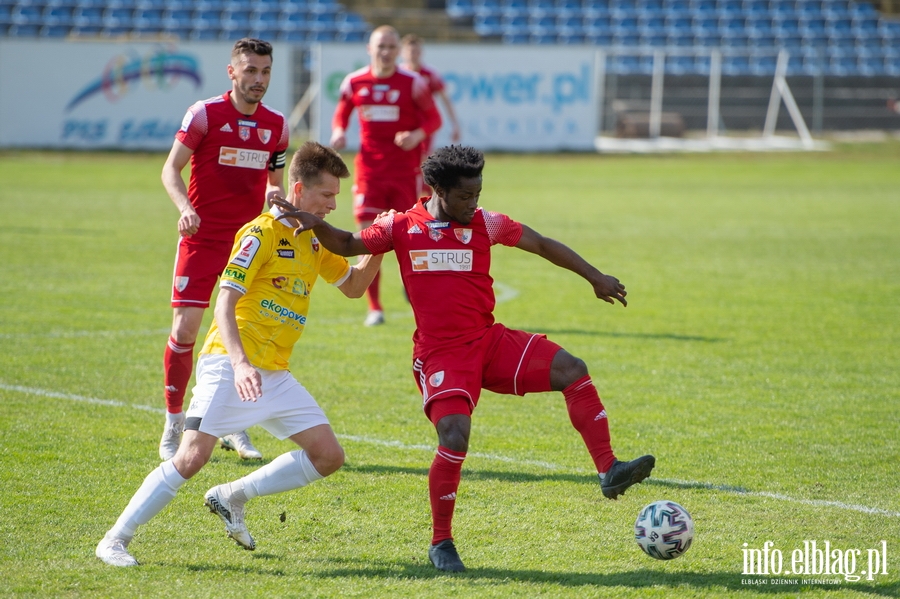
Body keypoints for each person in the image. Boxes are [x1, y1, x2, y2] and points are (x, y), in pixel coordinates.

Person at [272, 145, 656, 573]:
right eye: (464, 196)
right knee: (454, 434)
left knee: (573, 370)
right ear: (437, 189)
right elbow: (346, 243)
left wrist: (595, 277)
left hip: (488, 342)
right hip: (440, 354)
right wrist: (313, 222)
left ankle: (608, 470)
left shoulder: (486, 223)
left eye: (477, 194)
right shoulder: (401, 226)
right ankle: (441, 543)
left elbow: (543, 244)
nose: (472, 204)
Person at [96, 142, 383, 567]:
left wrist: (381, 244)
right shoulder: (260, 233)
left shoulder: (313, 241)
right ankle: (114, 541)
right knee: (192, 457)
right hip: (230, 365)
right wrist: (240, 363)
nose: (333, 205)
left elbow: (355, 287)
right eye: (327, 195)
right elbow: (223, 304)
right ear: (299, 189)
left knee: (329, 456)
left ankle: (232, 495)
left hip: (275, 373)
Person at [158, 37, 290, 462]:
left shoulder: (278, 125)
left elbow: (274, 180)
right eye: (250, 71)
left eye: (265, 71)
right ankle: (174, 421)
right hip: (202, 238)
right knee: (185, 334)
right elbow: (170, 169)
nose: (259, 80)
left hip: (247, 245)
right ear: (231, 72)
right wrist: (185, 208)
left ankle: (233, 427)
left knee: (242, 337)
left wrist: (275, 197)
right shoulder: (204, 114)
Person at [331, 24, 442, 327]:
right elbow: (342, 112)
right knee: (370, 238)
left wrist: (416, 134)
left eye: (392, 47)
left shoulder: (413, 82)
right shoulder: (355, 82)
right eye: (381, 46)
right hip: (369, 173)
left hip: (405, 173)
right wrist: (339, 131)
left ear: (398, 51)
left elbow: (434, 117)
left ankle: (416, 294)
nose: (386, 52)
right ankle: (375, 307)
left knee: (410, 237)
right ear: (370, 49)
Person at [399, 33, 461, 197]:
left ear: (421, 52)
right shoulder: (399, 74)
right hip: (402, 127)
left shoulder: (429, 74)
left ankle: (425, 196)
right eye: (410, 51)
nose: (413, 55)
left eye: (416, 51)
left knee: (422, 162)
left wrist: (455, 124)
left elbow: (445, 99)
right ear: (403, 53)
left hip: (424, 127)